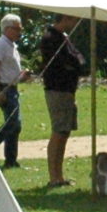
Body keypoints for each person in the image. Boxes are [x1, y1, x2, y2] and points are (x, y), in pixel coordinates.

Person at [37, 14, 87, 189]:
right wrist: (74, 66)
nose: (75, 24)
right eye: (74, 20)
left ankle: (59, 175)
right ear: (65, 18)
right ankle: (54, 176)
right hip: (57, 90)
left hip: (68, 91)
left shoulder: (63, 38)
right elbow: (62, 63)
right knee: (58, 131)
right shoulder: (51, 38)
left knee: (65, 131)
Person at [0, 12, 27, 168]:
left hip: (12, 88)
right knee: (13, 123)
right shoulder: (0, 44)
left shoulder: (12, 46)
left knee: (15, 125)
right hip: (4, 88)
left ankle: (11, 160)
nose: (20, 32)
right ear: (7, 29)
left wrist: (22, 76)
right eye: (17, 29)